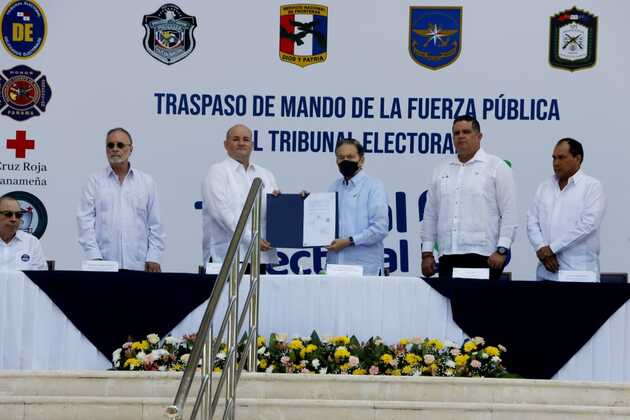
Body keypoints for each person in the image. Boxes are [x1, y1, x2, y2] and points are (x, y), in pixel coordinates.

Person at [421, 115, 517, 281]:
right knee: (449, 307)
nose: (461, 136)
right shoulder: (441, 170)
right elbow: (431, 214)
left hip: (484, 256)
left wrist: (502, 249)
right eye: (456, 133)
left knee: (481, 307)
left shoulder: (496, 167)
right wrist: (427, 252)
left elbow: (509, 211)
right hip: (448, 254)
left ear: (479, 137)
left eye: (466, 131)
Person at [77, 127, 166, 272]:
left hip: (139, 266)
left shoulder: (147, 182)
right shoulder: (94, 181)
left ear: (131, 149)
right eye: (110, 145)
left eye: (120, 145)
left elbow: (156, 224)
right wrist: (95, 258)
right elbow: (85, 223)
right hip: (103, 266)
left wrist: (154, 257)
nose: (115, 149)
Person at [202, 124, 279, 269]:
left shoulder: (266, 175)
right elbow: (221, 214)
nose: (241, 143)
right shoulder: (217, 172)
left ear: (252, 145)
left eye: (246, 139)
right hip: (226, 257)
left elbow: (276, 214)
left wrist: (287, 204)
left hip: (258, 258)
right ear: (226, 145)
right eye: (236, 139)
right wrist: (252, 239)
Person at [526, 138, 605, 280]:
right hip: (546, 271)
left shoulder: (592, 187)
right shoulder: (544, 187)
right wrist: (540, 248)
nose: (556, 163)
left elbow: (588, 225)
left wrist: (551, 249)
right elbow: (532, 221)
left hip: (579, 273)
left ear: (578, 158)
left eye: (561, 158)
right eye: (554, 158)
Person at [326, 138, 389, 276]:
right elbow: (323, 222)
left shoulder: (374, 187)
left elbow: (380, 228)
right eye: (341, 157)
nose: (345, 161)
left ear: (361, 160)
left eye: (350, 157)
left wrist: (350, 241)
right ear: (336, 161)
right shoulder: (333, 187)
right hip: (335, 267)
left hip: (364, 269)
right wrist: (305, 203)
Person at [0, 196, 47, 270]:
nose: (14, 219)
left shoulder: (31, 243)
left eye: (18, 215)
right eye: (8, 214)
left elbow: (40, 277)